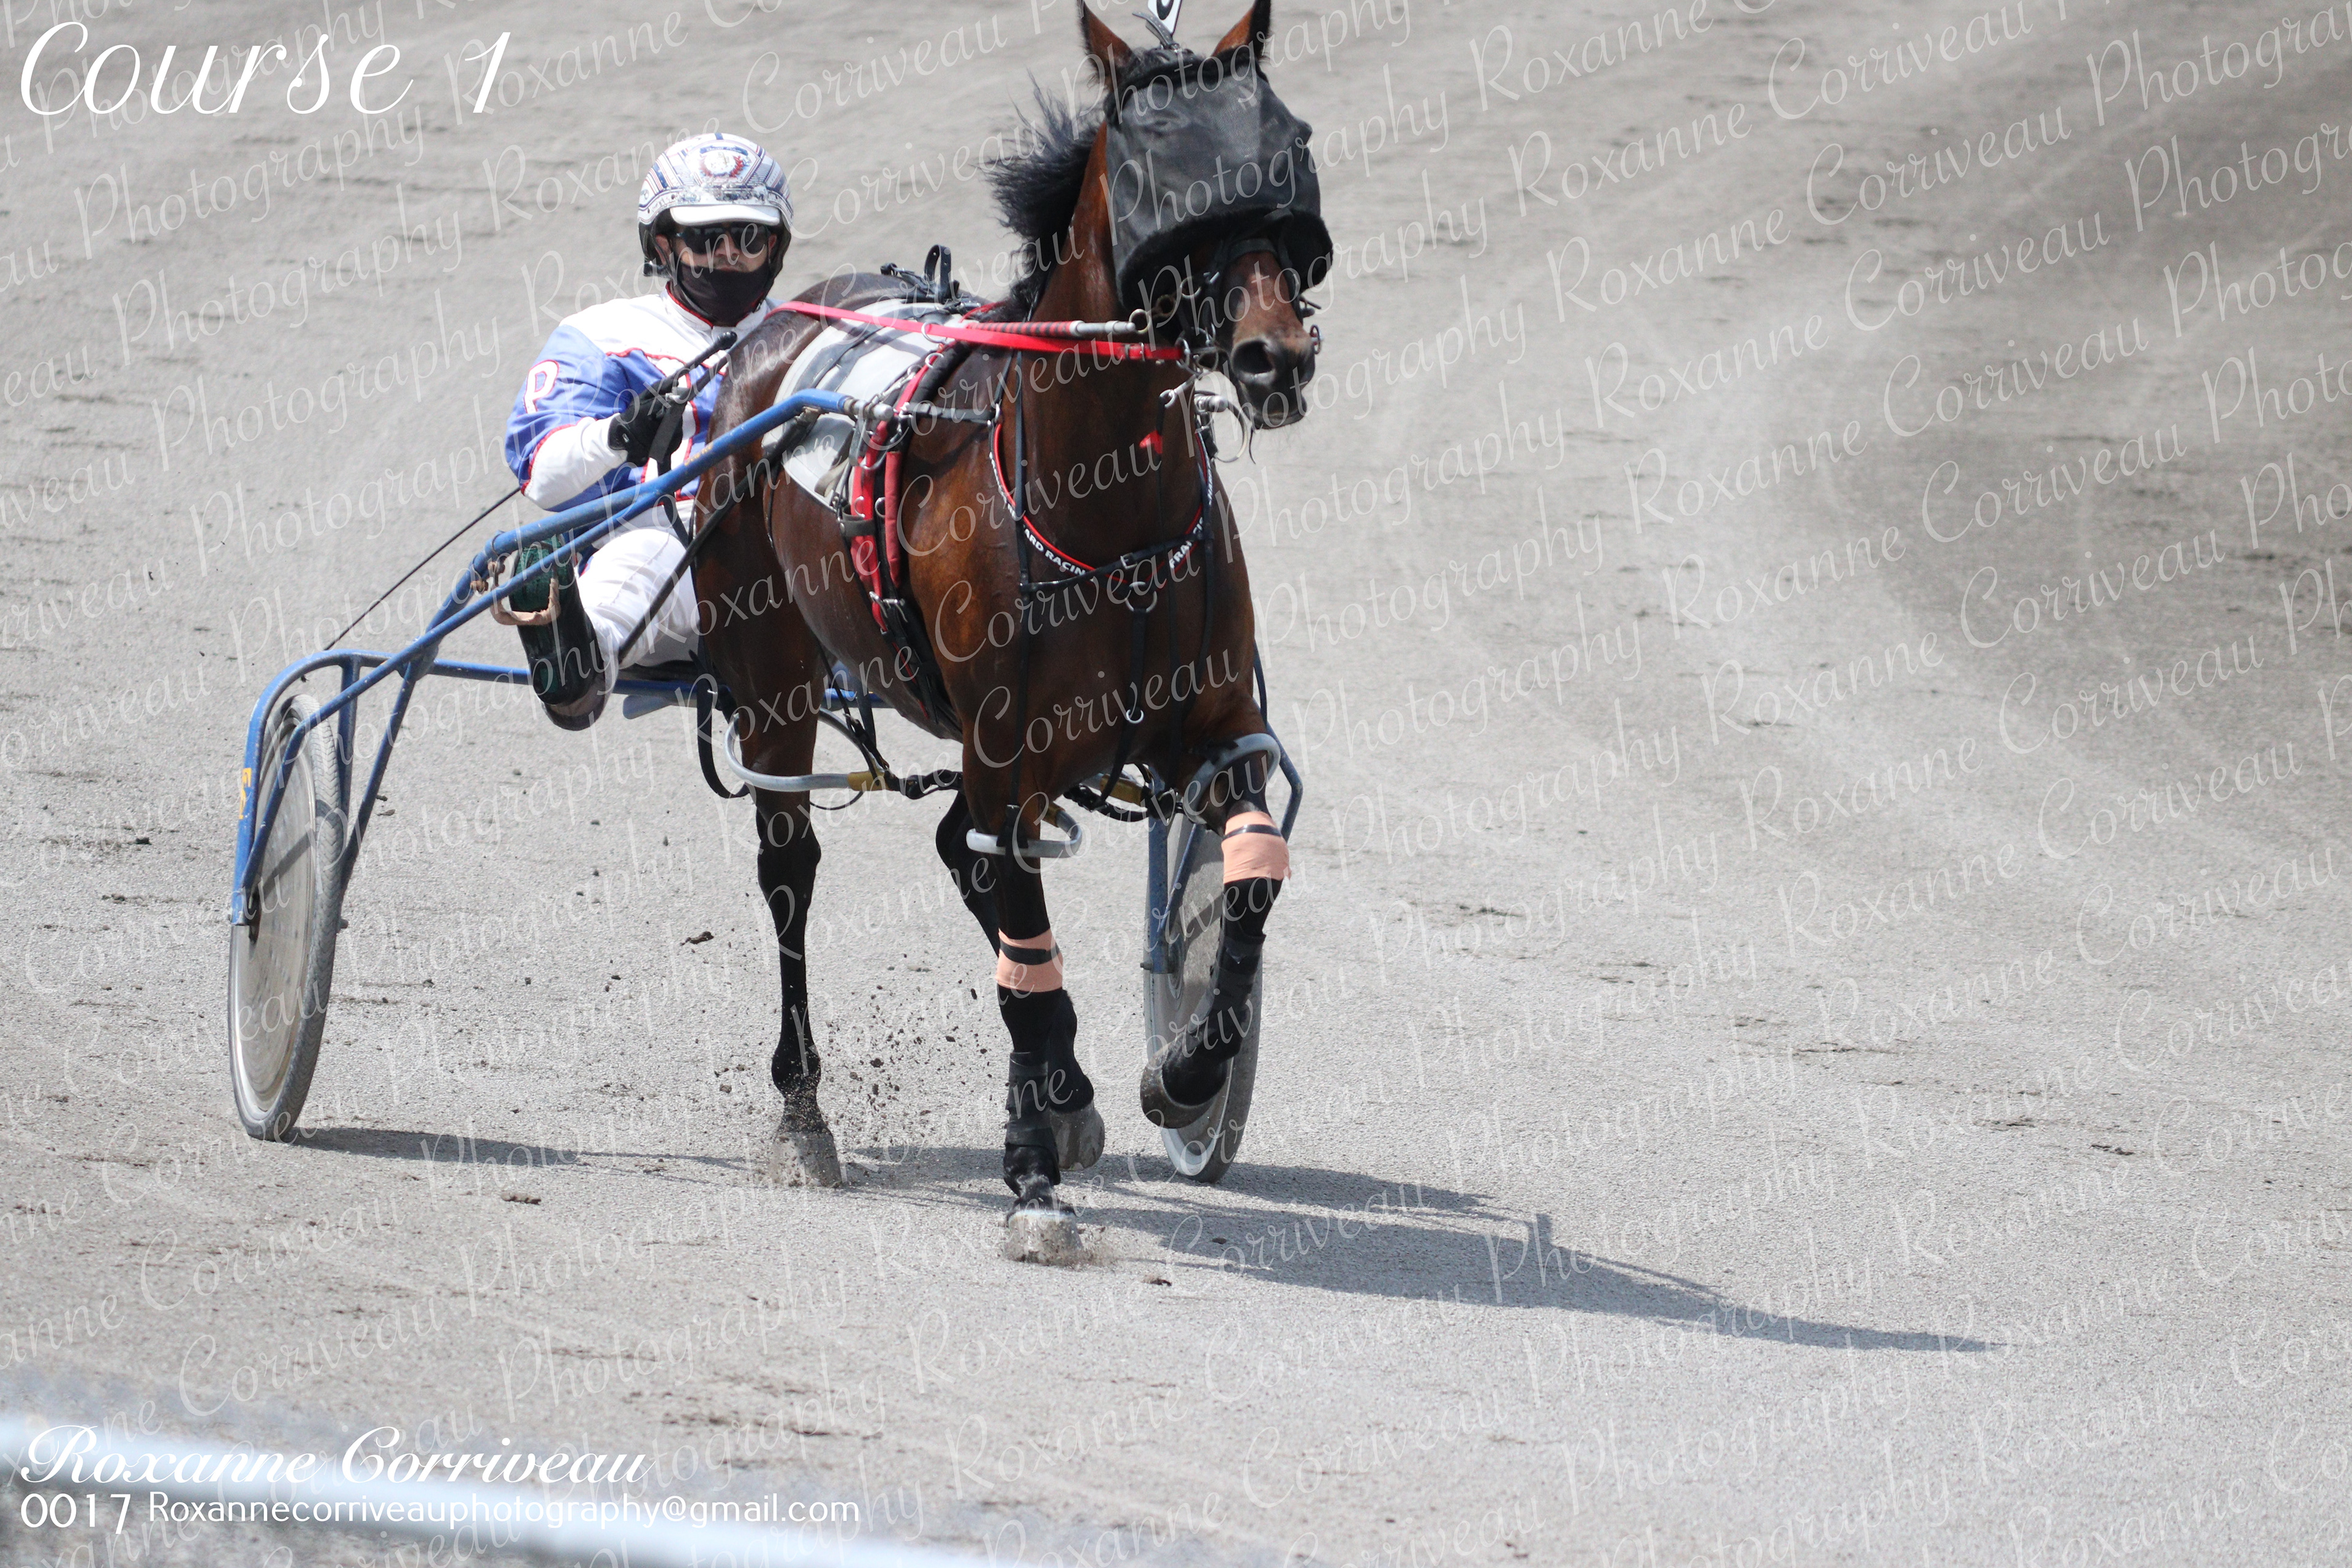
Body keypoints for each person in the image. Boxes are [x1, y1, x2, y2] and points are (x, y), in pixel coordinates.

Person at [502, 133, 793, 728]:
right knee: (648, 556)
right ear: (665, 243)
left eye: (748, 237)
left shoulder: (820, 335)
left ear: (774, 246)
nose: (728, 255)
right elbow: (544, 477)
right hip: (676, 556)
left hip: (805, 562)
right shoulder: (603, 336)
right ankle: (576, 666)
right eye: (707, 238)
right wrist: (618, 436)